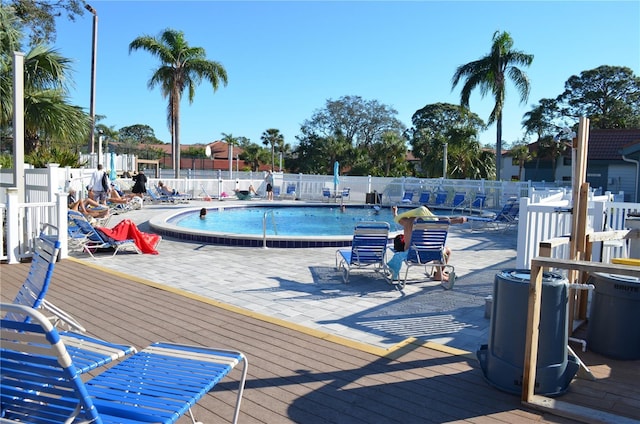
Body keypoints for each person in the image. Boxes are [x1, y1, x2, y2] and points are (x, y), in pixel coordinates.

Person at [389, 205, 467, 282]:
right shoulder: (429, 223)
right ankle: (439, 274)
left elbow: (396, 218)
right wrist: (459, 220)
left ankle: (440, 274)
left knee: (434, 250)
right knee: (446, 250)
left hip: (411, 255)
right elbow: (447, 220)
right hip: (429, 255)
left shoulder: (406, 221)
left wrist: (395, 212)